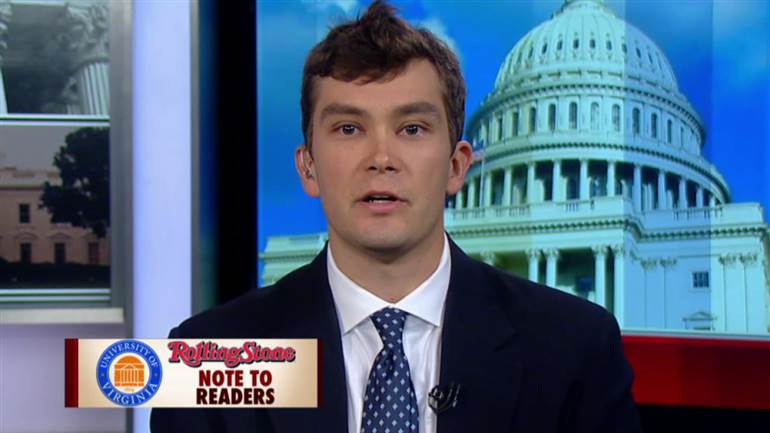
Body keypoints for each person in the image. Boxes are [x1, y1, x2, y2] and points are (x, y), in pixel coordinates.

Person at [151, 1, 642, 432]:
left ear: (457, 166)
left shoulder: (574, 350)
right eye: (349, 128)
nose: (381, 158)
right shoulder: (208, 357)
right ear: (308, 167)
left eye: (412, 128)